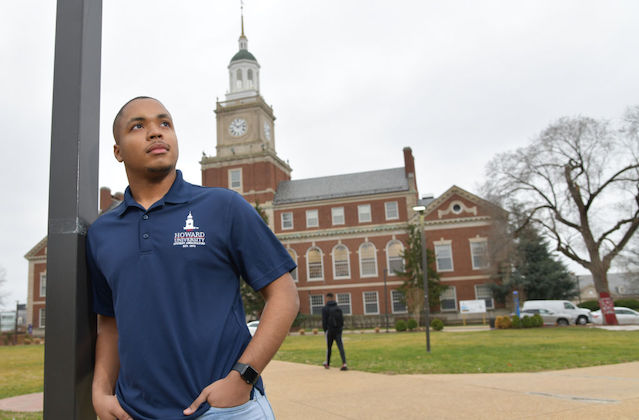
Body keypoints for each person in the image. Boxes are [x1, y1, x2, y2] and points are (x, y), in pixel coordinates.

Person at [88, 96, 299, 420]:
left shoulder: (224, 207)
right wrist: (101, 392)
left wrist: (242, 378)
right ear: (117, 151)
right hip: (136, 413)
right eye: (138, 126)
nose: (156, 133)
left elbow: (284, 295)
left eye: (165, 123)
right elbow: (110, 323)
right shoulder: (102, 233)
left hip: (223, 411)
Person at [321, 293, 347, 371]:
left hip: (330, 330)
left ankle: (328, 363)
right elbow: (342, 320)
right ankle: (344, 363)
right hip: (338, 330)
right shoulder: (338, 308)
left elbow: (324, 321)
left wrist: (325, 330)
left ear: (328, 298)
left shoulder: (325, 309)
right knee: (340, 346)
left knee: (329, 347)